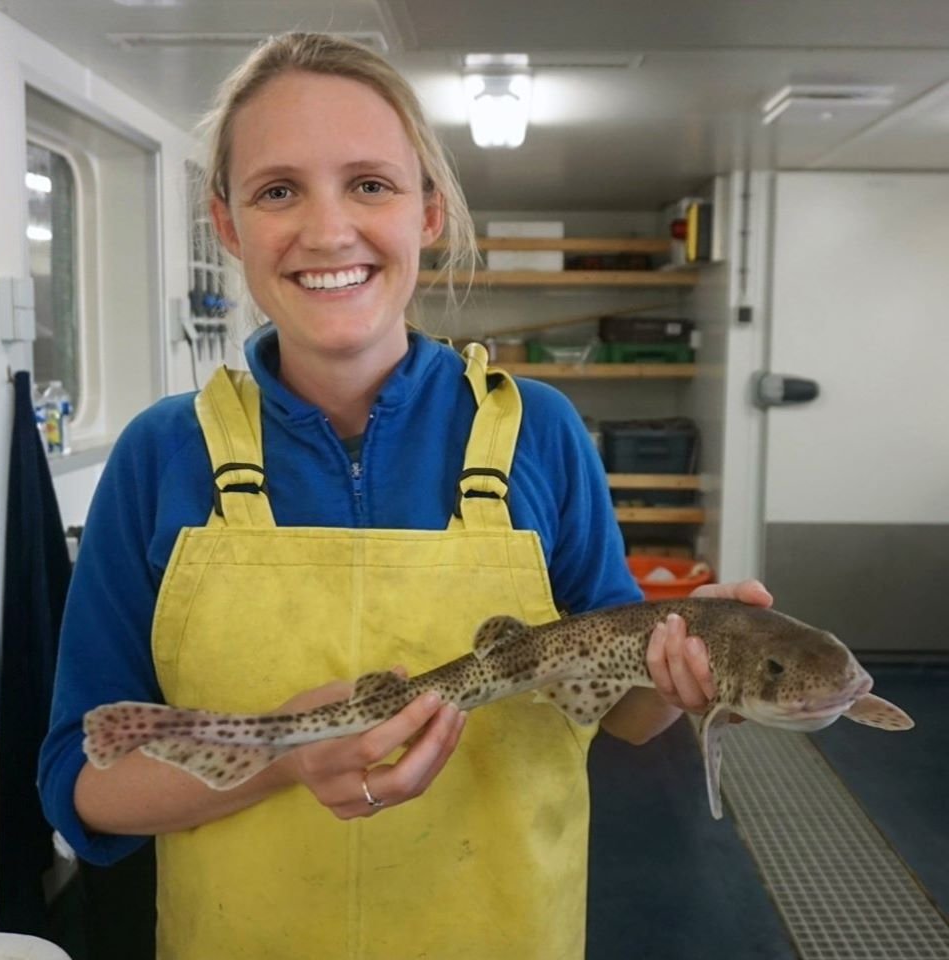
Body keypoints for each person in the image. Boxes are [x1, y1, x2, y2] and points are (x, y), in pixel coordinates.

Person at [39, 31, 773, 960]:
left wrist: (686, 673)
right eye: (277, 190)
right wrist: (281, 763)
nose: (328, 229)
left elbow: (621, 710)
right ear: (227, 224)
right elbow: (82, 778)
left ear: (430, 210)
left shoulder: (537, 432)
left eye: (371, 184)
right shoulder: (159, 454)